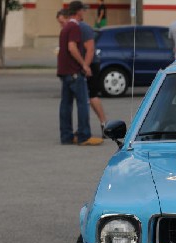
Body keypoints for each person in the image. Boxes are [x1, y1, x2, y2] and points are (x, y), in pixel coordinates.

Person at [57, 1, 102, 145]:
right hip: (75, 72)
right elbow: (72, 47)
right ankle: (84, 135)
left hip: (65, 72)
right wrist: (84, 65)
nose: (84, 12)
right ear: (78, 11)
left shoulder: (65, 28)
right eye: (83, 10)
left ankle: (66, 136)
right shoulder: (75, 27)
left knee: (66, 104)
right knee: (83, 103)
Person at [79, 14, 108, 136]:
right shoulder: (78, 27)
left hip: (91, 64)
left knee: (92, 95)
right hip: (87, 63)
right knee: (87, 96)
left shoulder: (83, 27)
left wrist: (85, 66)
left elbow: (90, 49)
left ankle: (104, 124)